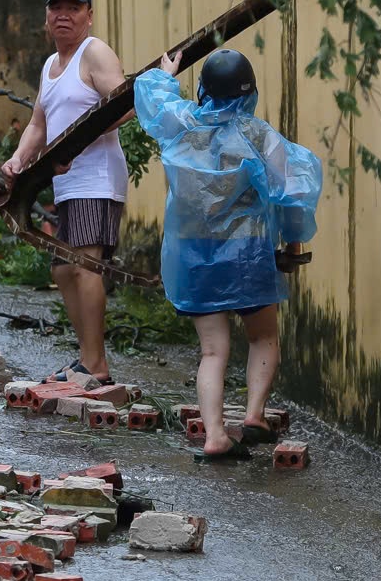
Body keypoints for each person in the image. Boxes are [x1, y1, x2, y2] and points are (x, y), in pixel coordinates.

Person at [135, 46, 323, 460]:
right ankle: (254, 415)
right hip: (248, 254)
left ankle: (215, 435)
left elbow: (154, 98)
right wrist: (292, 244)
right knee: (263, 336)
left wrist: (168, 73)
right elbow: (293, 193)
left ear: (203, 89)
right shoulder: (259, 137)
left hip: (194, 258)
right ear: (250, 91)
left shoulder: (181, 125)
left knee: (213, 352)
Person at [0, 0, 130, 385]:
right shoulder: (50, 66)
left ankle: (96, 365)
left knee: (86, 268)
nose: (64, 15)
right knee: (62, 270)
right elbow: (39, 123)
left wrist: (76, 143)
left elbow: (125, 106)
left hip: (97, 179)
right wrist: (19, 159)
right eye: (57, 8)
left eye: (73, 8)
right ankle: (87, 357)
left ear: (88, 16)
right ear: (46, 17)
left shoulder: (94, 53)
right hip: (67, 185)